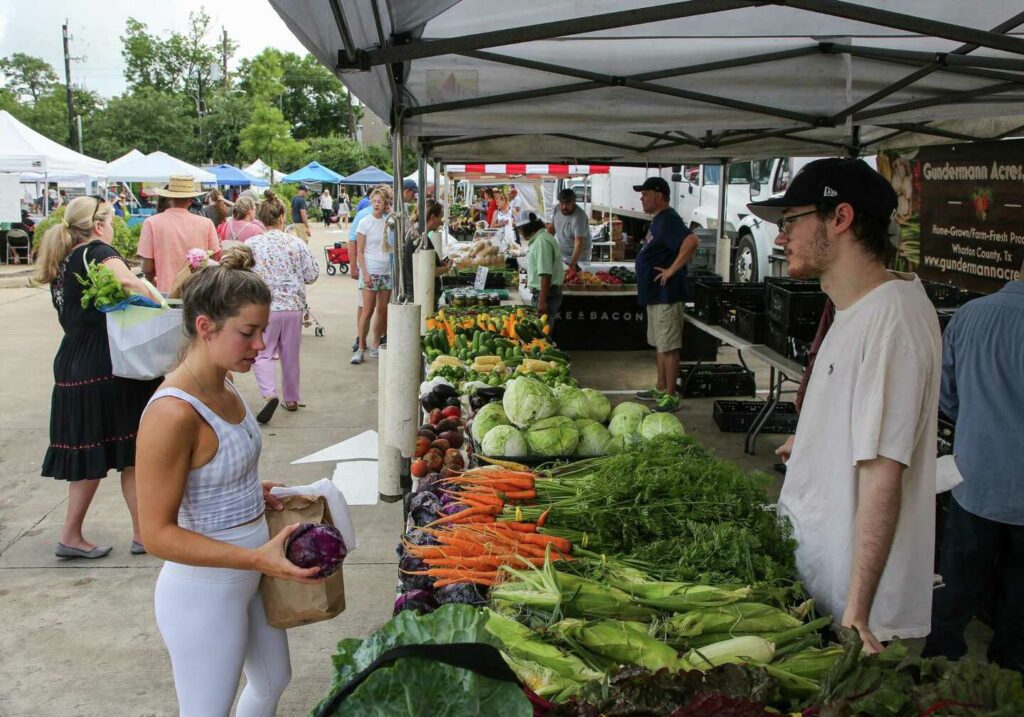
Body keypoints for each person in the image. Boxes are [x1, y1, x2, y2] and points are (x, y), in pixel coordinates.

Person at [747, 157, 940, 652]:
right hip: (824, 592)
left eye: (790, 221)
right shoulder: (854, 309)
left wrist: (856, 615)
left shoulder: (891, 322)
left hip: (858, 620)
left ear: (840, 218)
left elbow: (882, 474)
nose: (779, 237)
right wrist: (810, 443)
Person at [135, 246, 322, 715]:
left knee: (274, 679)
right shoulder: (173, 413)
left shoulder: (224, 381)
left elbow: (211, 474)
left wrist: (247, 492)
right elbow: (156, 534)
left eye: (261, 330)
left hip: (251, 567)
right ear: (205, 327)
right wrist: (254, 557)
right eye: (248, 332)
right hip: (205, 589)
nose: (262, 345)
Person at [33, 196, 164, 559]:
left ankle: (75, 534)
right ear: (99, 224)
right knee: (130, 451)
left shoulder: (64, 259)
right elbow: (131, 284)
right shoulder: (99, 251)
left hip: (73, 362)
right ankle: (140, 534)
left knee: (91, 453)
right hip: (108, 363)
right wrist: (158, 305)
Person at [921, 265, 1024, 673]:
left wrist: (978, 422)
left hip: (975, 478)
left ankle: (936, 667)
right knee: (1019, 595)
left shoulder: (970, 315)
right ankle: (1010, 677)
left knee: (957, 581)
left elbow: (945, 394)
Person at [247, 193, 320, 422]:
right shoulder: (296, 243)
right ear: (282, 217)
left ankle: (269, 395)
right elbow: (312, 274)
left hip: (264, 307)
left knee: (262, 353)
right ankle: (291, 398)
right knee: (290, 354)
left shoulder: (252, 244)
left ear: (260, 218)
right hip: (293, 307)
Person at [632, 177, 698, 413]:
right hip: (655, 295)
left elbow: (691, 241)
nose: (642, 198)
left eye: (646, 194)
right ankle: (660, 387)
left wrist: (671, 269)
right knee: (660, 345)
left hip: (667, 296)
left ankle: (671, 395)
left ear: (660, 195)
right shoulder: (659, 221)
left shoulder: (669, 219)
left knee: (668, 347)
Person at [137, 176, 222, 294]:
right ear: (191, 199)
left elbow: (147, 268)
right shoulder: (206, 223)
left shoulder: (151, 223)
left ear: (170, 198)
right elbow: (215, 260)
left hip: (166, 293)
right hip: (199, 292)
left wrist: (153, 283)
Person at [352, 188, 393, 365]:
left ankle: (376, 343)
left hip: (386, 271)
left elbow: (403, 230)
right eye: (374, 201)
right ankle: (361, 346)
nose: (377, 204)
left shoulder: (388, 222)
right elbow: (360, 251)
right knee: (367, 310)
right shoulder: (364, 222)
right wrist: (364, 273)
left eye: (380, 202)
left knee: (382, 310)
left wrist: (391, 213)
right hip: (371, 269)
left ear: (385, 204)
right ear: (370, 201)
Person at [401, 200, 451, 306]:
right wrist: (446, 268)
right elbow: (428, 272)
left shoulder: (418, 234)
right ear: (433, 217)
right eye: (440, 217)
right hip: (420, 295)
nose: (442, 221)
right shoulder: (419, 239)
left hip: (419, 292)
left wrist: (439, 262)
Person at [519, 213, 565, 328]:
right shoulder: (541, 239)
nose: (519, 232)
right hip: (544, 294)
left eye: (520, 229)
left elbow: (546, 273)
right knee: (542, 329)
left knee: (542, 332)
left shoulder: (541, 242)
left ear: (526, 227)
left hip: (546, 295)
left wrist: (542, 300)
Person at [550, 188, 592, 271]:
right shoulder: (557, 209)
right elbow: (552, 229)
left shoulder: (579, 217)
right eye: (562, 203)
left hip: (579, 258)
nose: (564, 207)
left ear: (574, 202)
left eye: (568, 203)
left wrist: (572, 265)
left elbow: (579, 243)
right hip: (563, 255)